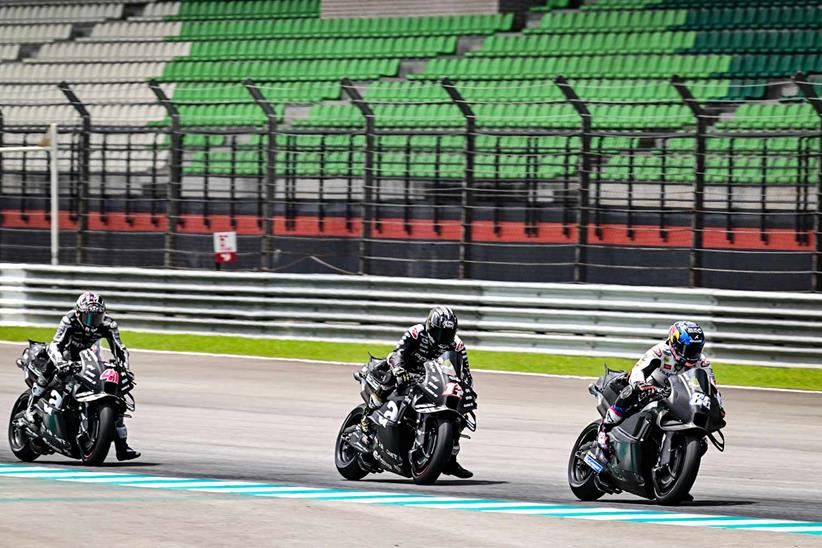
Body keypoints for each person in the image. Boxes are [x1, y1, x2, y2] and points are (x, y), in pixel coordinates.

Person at [357, 306, 474, 478]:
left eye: (447, 334)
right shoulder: (416, 332)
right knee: (390, 378)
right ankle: (365, 420)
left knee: (458, 413)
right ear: (430, 327)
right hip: (405, 374)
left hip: (434, 381)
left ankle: (449, 459)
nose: (443, 339)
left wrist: (466, 387)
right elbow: (397, 354)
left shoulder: (457, 345)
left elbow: (465, 373)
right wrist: (398, 369)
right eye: (440, 333)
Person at [27, 291, 140, 461]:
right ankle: (31, 407)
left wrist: (124, 368)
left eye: (97, 317)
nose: (93, 322)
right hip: (66, 355)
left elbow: (120, 349)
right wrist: (61, 362)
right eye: (88, 317)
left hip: (90, 358)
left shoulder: (109, 324)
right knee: (50, 369)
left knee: (116, 395)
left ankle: (121, 445)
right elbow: (55, 345)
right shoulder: (69, 320)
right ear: (79, 313)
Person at [595, 320, 722, 462]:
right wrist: (640, 384)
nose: (693, 354)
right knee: (632, 392)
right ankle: (604, 429)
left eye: (696, 349)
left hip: (678, 395)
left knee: (702, 440)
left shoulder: (702, 362)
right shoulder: (661, 351)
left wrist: (718, 407)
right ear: (674, 343)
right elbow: (639, 369)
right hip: (651, 387)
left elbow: (712, 388)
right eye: (688, 349)